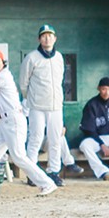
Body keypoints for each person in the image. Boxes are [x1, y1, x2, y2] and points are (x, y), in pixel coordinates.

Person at [0, 47, 57, 197]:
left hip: (14, 120)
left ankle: (47, 183)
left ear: (3, 63)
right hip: (4, 122)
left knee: (19, 156)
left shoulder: (3, 76)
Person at [18, 25, 74, 177]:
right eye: (44, 35)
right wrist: (31, 98)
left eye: (50, 35)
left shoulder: (59, 57)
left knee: (55, 139)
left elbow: (60, 80)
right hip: (37, 106)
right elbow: (23, 83)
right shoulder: (31, 57)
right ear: (39, 39)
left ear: (55, 39)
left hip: (55, 106)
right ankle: (32, 174)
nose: (47, 38)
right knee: (35, 139)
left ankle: (54, 172)